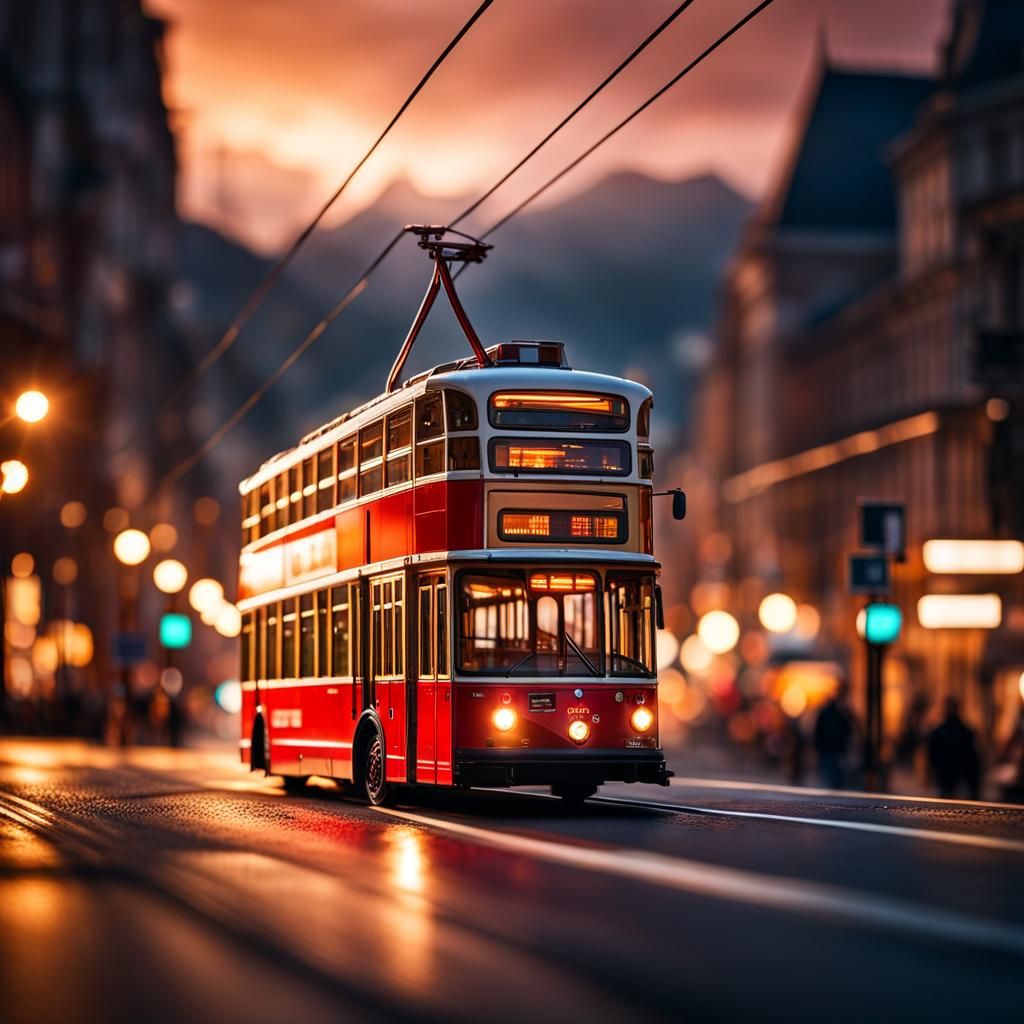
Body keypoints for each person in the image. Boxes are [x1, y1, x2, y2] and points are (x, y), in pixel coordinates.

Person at [928, 697, 981, 799]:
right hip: (950, 771)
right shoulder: (965, 730)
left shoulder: (941, 731)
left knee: (947, 795)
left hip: (951, 770)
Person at [814, 679, 856, 789]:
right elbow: (849, 728)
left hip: (830, 748)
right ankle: (835, 789)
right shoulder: (840, 712)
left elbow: (818, 731)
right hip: (835, 748)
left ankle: (833, 790)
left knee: (832, 775)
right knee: (836, 774)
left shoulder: (828, 712)